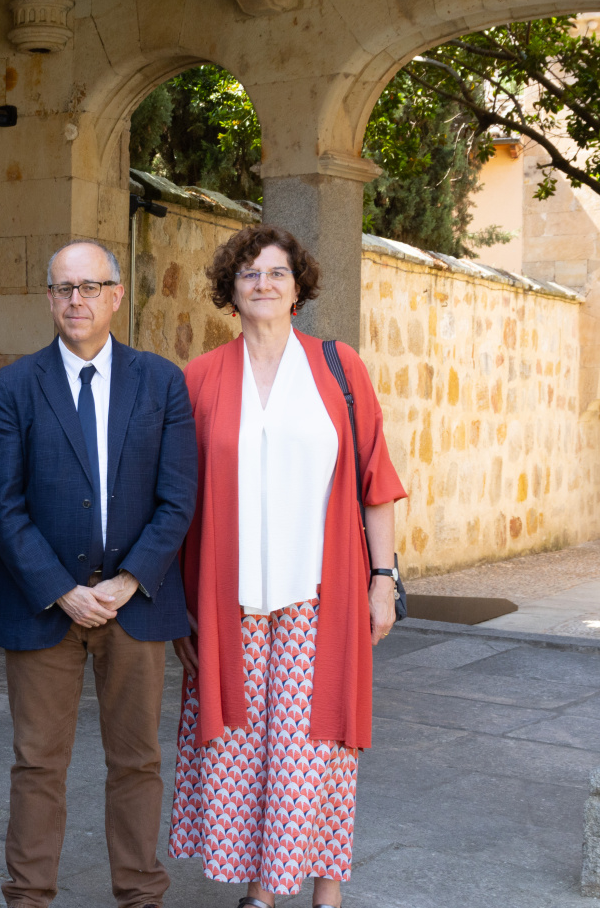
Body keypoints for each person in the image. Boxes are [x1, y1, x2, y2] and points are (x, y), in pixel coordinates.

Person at [168, 224, 407, 908]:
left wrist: (382, 582)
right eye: (249, 274)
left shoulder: (339, 367)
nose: (263, 284)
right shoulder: (202, 377)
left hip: (321, 593)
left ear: (298, 288)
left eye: (276, 273)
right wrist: (178, 602)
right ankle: (261, 893)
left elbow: (377, 482)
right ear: (230, 291)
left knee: (317, 744)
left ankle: (326, 893)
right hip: (230, 599)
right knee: (243, 750)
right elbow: (179, 494)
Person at [0, 240, 197, 908]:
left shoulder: (163, 383)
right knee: (38, 763)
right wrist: (63, 591)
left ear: (117, 295)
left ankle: (139, 893)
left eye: (91, 286)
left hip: (136, 603)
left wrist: (127, 581)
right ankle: (29, 897)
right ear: (49, 299)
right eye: (64, 288)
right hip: (44, 605)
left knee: (137, 761)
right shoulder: (15, 386)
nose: (77, 300)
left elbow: (178, 497)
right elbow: (2, 503)